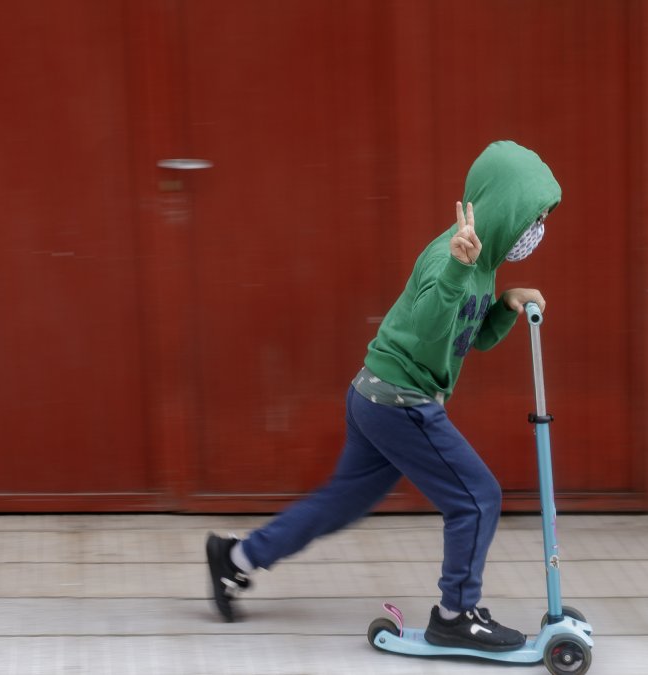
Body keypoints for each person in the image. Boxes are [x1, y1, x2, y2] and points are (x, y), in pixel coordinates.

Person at [205, 140, 561, 652]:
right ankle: (456, 615)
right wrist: (460, 271)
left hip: (374, 394)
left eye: (544, 217)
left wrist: (504, 303)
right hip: (400, 399)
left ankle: (234, 558)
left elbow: (469, 337)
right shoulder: (454, 254)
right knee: (477, 499)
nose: (537, 228)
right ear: (506, 204)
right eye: (534, 214)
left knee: (340, 503)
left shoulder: (481, 264)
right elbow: (428, 327)